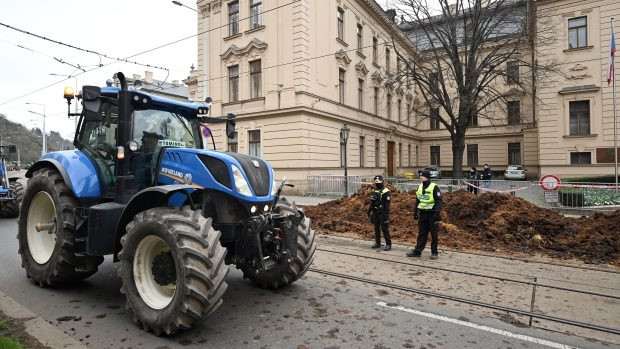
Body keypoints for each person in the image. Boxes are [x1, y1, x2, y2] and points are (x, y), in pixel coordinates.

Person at [407, 169, 443, 259]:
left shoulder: (434, 187)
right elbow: (418, 200)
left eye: (422, 175)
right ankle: (418, 251)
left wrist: (437, 213)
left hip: (432, 214)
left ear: (426, 176)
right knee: (422, 234)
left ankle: (434, 252)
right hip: (422, 214)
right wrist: (415, 211)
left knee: (434, 235)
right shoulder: (420, 187)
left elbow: (439, 201)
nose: (420, 177)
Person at [367, 175, 392, 251]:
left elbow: (387, 205)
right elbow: (372, 202)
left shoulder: (386, 191)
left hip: (382, 212)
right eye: (375, 181)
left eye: (378, 181)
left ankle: (388, 244)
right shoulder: (374, 190)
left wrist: (386, 216)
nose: (377, 183)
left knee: (384, 228)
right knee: (376, 228)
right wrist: (369, 211)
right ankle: (377, 243)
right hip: (375, 212)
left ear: (382, 181)